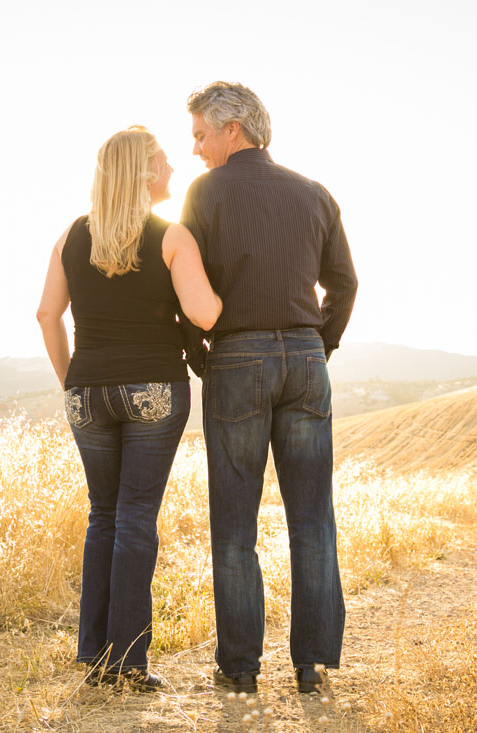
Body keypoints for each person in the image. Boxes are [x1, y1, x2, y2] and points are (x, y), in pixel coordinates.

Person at [180, 82, 358, 695]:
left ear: (235, 130)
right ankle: (312, 666)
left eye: (201, 134)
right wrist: (318, 348)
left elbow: (185, 282)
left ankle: (239, 670)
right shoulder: (315, 194)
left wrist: (200, 354)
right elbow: (345, 285)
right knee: (312, 519)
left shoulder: (205, 193)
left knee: (235, 525)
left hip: (237, 359)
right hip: (307, 361)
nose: (196, 148)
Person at [36, 126, 222, 691]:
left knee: (103, 516)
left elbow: (48, 316)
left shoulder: (72, 235)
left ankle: (94, 658)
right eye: (163, 162)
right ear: (142, 173)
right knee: (136, 517)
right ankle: (129, 665)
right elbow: (207, 314)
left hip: (88, 390)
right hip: (154, 391)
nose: (171, 170)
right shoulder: (171, 237)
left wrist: (75, 381)